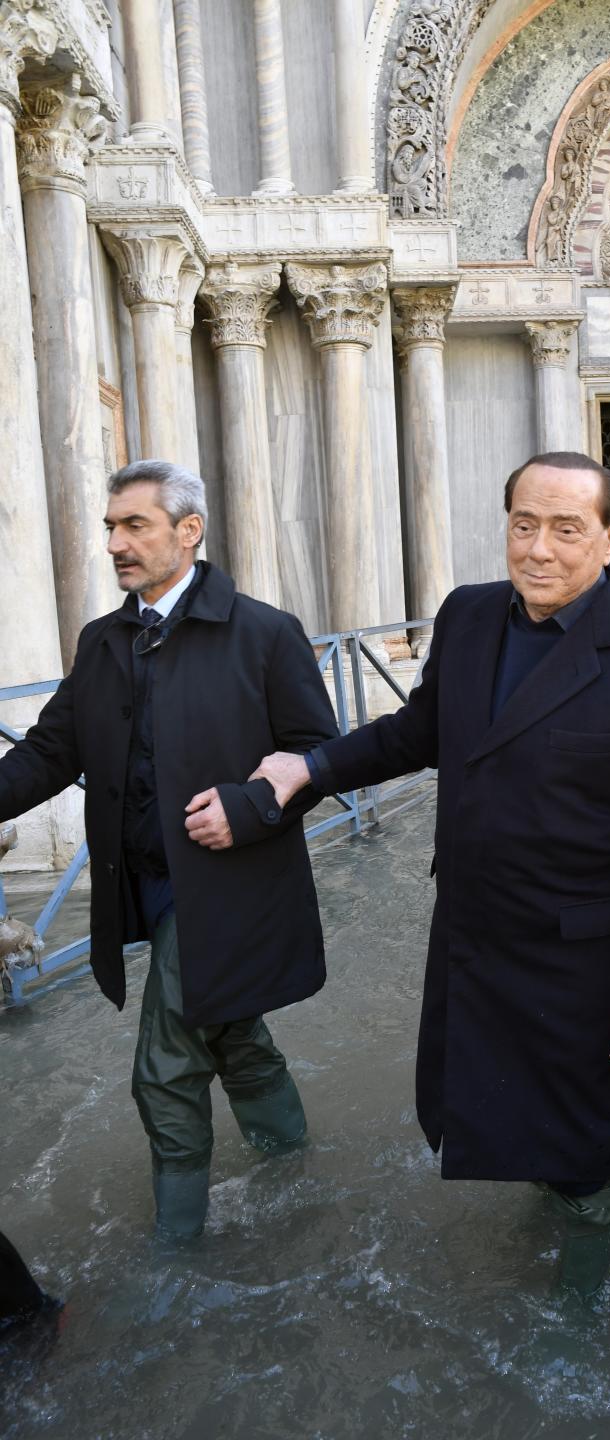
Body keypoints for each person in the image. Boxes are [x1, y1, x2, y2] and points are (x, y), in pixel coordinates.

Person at [238, 452, 610, 1297]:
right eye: (523, 524)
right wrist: (311, 767)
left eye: (567, 529)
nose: (538, 548)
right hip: (474, 933)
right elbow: (417, 730)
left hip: (587, 962)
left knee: (592, 1142)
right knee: (504, 1108)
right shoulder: (467, 617)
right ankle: (554, 1204)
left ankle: (579, 1303)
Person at [0, 461, 338, 1239]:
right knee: (231, 1029)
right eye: (111, 527)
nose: (116, 543)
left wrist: (249, 807)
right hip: (143, 884)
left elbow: (320, 755)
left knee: (165, 1065)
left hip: (230, 885)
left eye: (135, 526)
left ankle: (176, 1254)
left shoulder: (265, 632)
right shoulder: (103, 640)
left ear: (189, 532)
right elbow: (50, 752)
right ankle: (295, 1171)